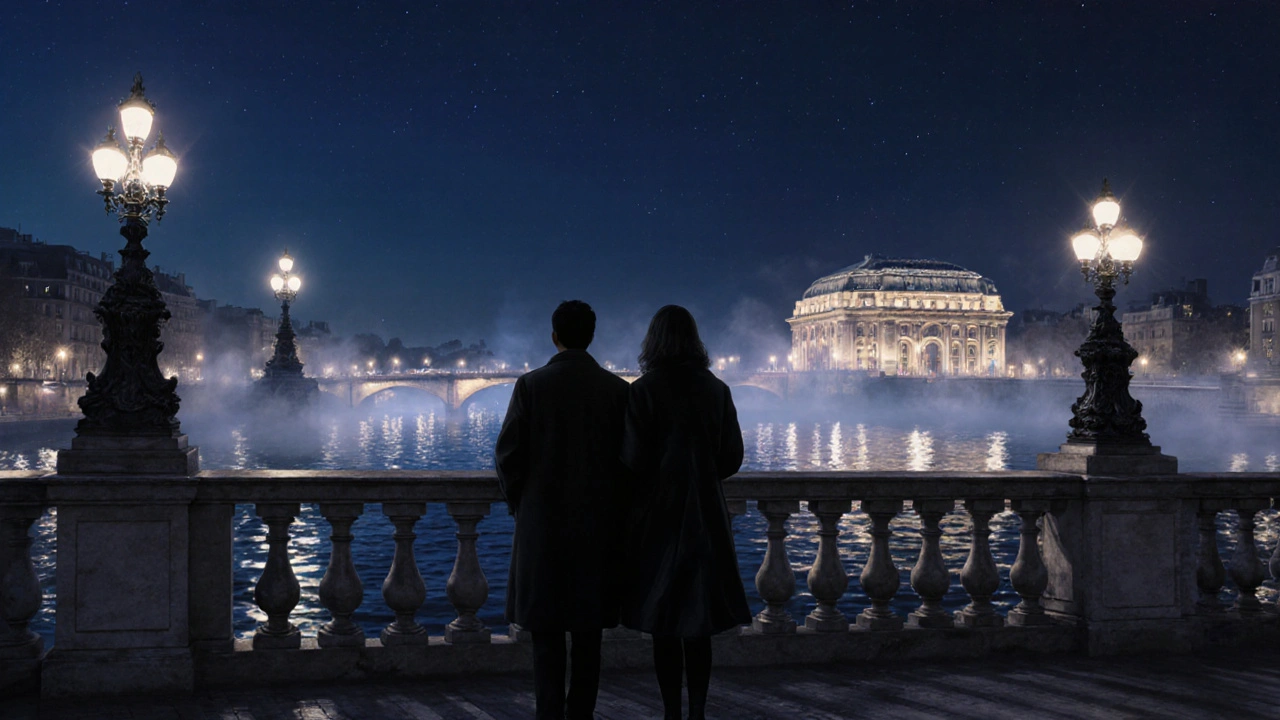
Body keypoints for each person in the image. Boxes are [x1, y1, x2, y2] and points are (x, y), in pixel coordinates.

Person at [494, 300, 630, 720]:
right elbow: (631, 462)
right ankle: (581, 715)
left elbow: (508, 456)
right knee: (589, 638)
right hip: (598, 529)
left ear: (554, 336)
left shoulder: (531, 386)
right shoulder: (619, 391)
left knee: (546, 635)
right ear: (592, 336)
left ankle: (548, 713)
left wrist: (523, 504)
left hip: (544, 528)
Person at [620, 305, 751, 720]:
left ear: (652, 342)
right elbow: (733, 456)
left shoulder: (643, 391)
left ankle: (671, 712)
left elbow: (633, 460)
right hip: (706, 514)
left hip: (658, 516)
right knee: (699, 620)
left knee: (663, 619)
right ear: (695, 340)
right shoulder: (717, 390)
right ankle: (697, 710)